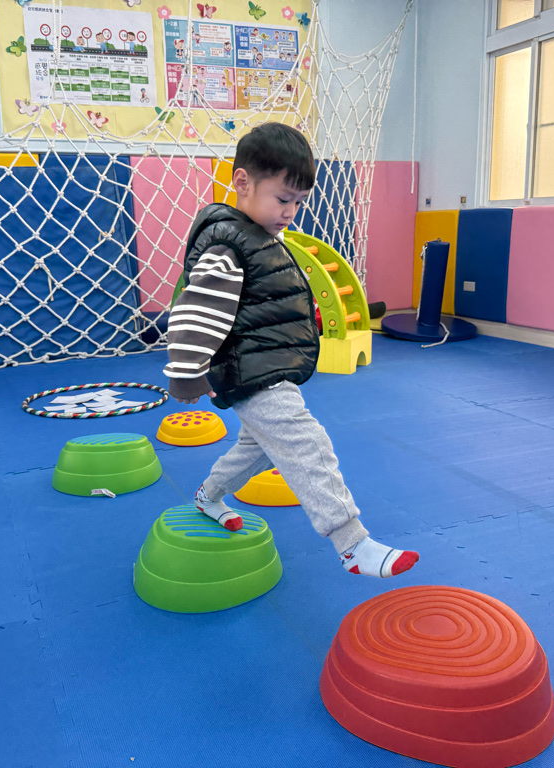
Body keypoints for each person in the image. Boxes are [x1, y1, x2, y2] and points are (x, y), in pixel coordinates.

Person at [163, 123, 419, 579]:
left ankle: (208, 495)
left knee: (259, 448)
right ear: (243, 182)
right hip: (249, 372)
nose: (291, 212)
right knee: (305, 442)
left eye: (299, 202)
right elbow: (196, 309)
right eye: (283, 199)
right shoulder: (228, 244)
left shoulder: (262, 237)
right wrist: (186, 371)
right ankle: (351, 543)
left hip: (268, 367)